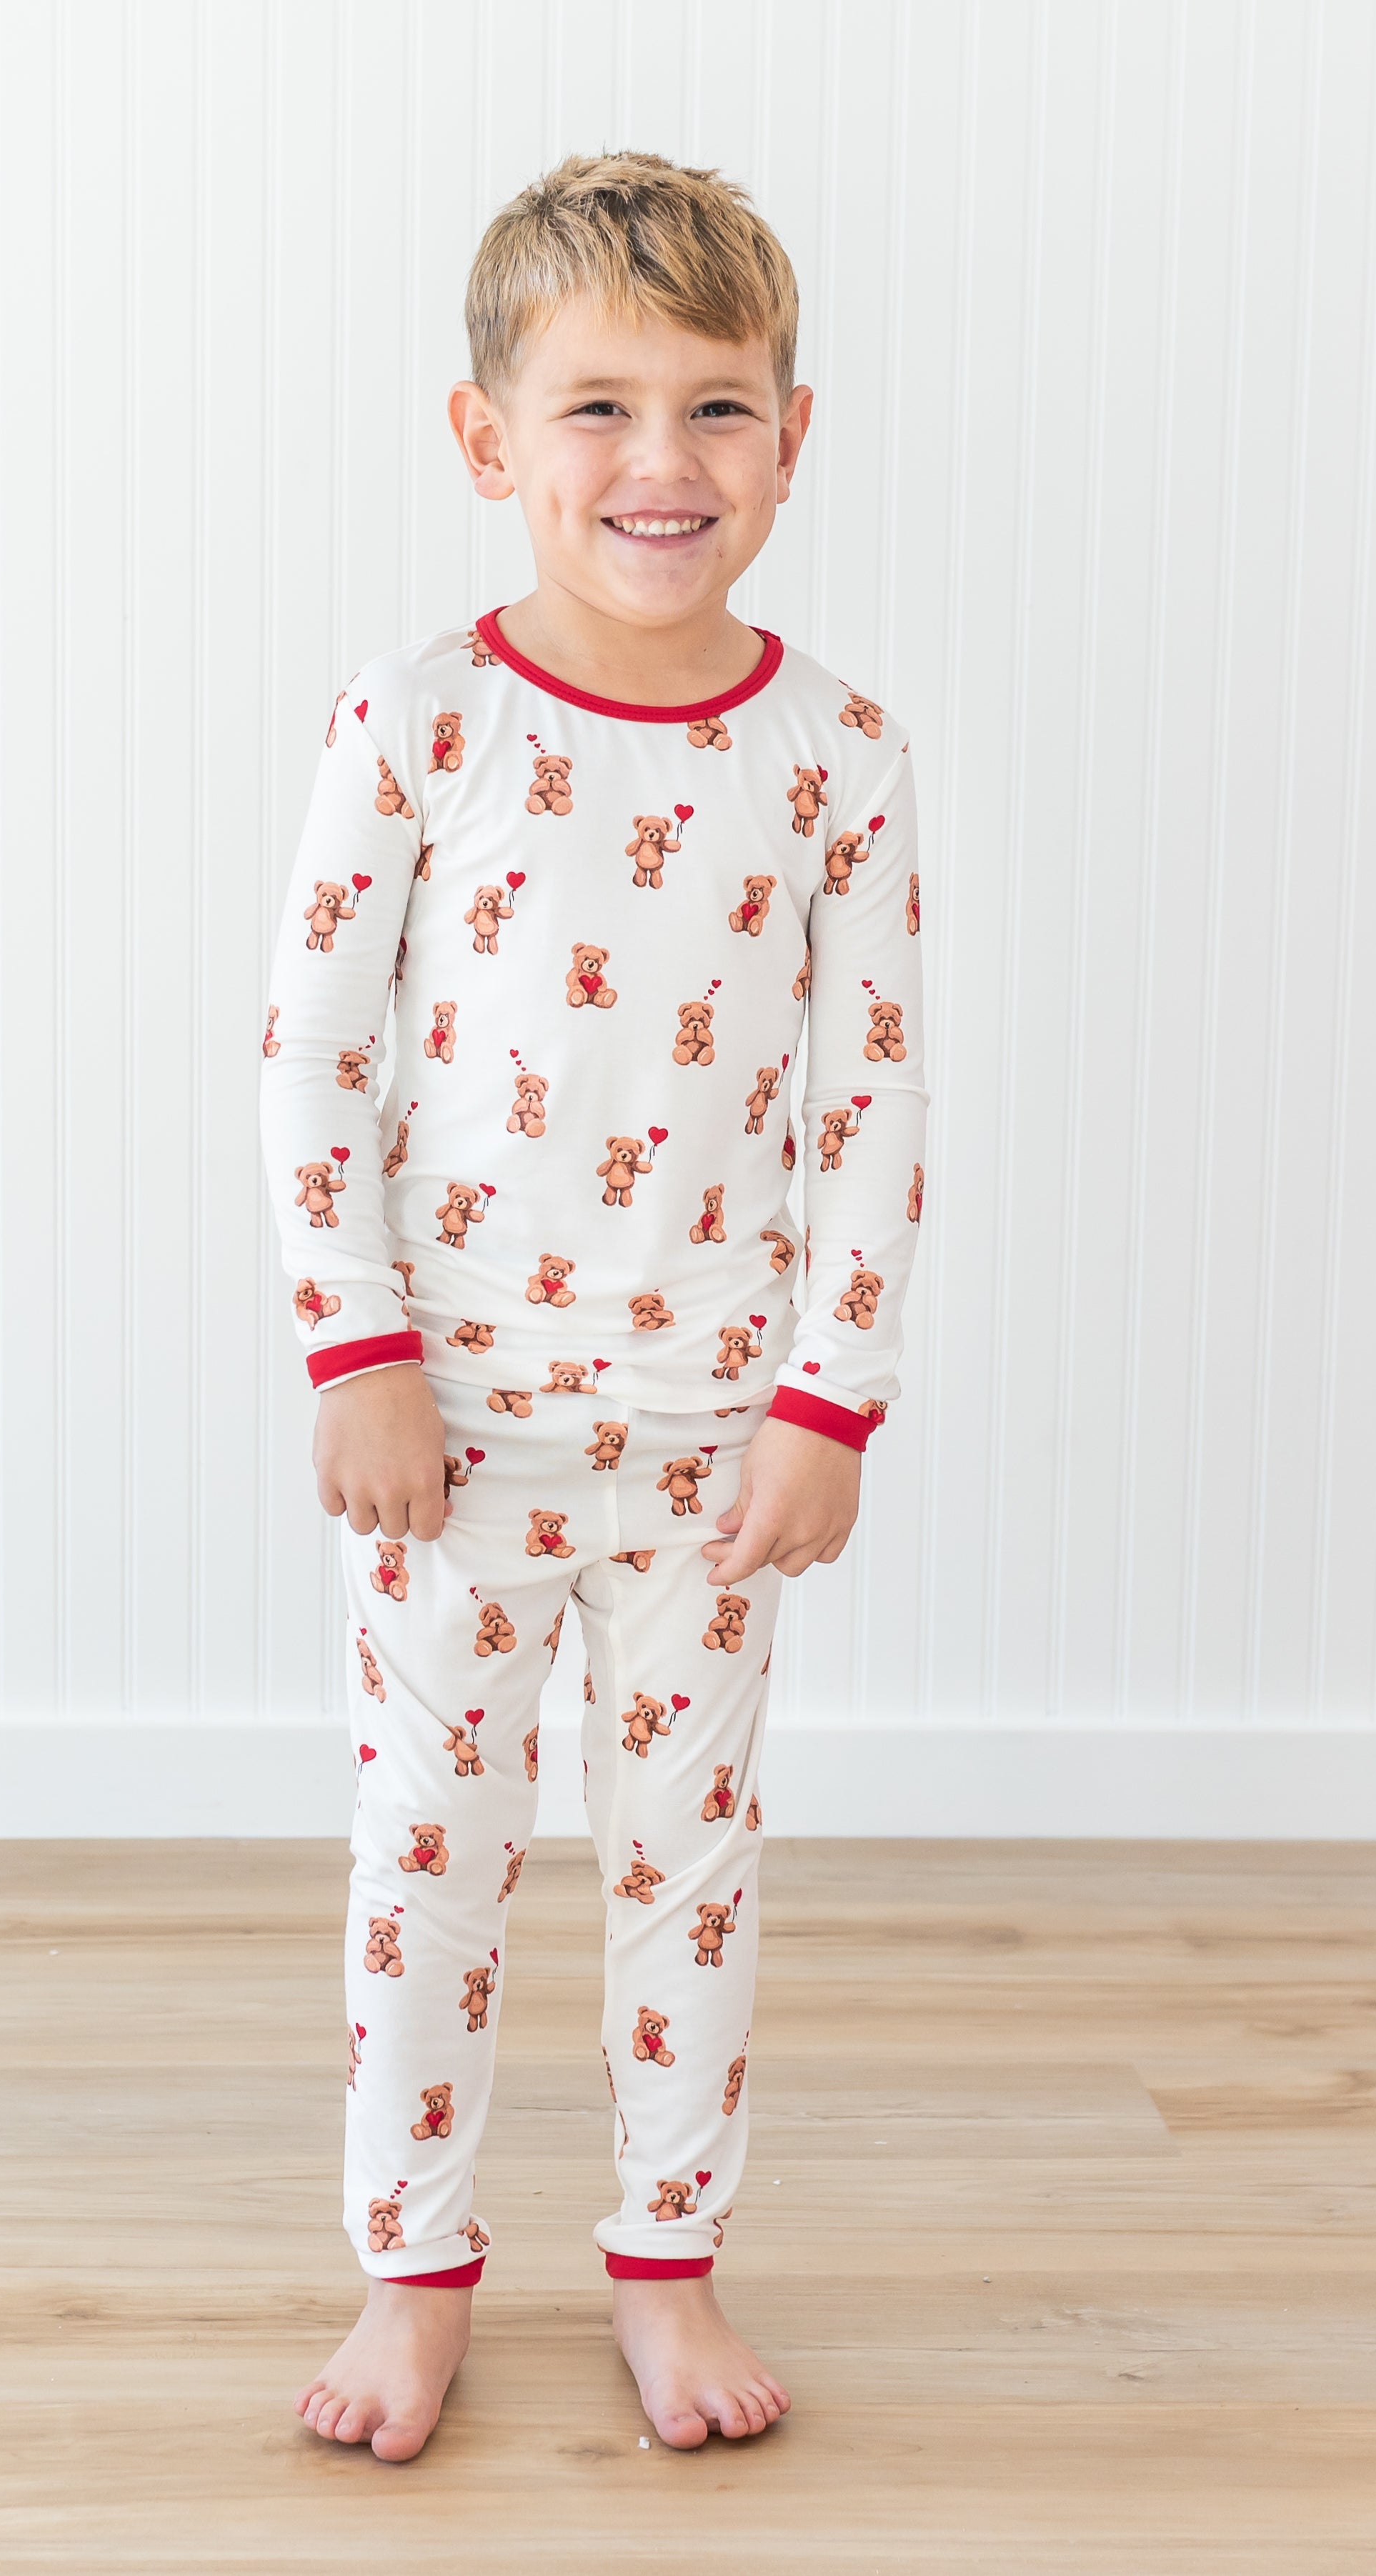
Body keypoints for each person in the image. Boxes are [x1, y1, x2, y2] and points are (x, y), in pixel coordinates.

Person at [257, 149, 929, 2462]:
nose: (666, 462)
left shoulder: (840, 755)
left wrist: (830, 1398)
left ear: (793, 435)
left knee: (687, 1869)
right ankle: (412, 2273)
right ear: (489, 438)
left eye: (718, 407)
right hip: (452, 1436)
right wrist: (357, 1349)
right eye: (601, 408)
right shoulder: (422, 722)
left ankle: (669, 2261)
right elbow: (315, 1054)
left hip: (717, 1443)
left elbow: (874, 1096)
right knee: (430, 1866)